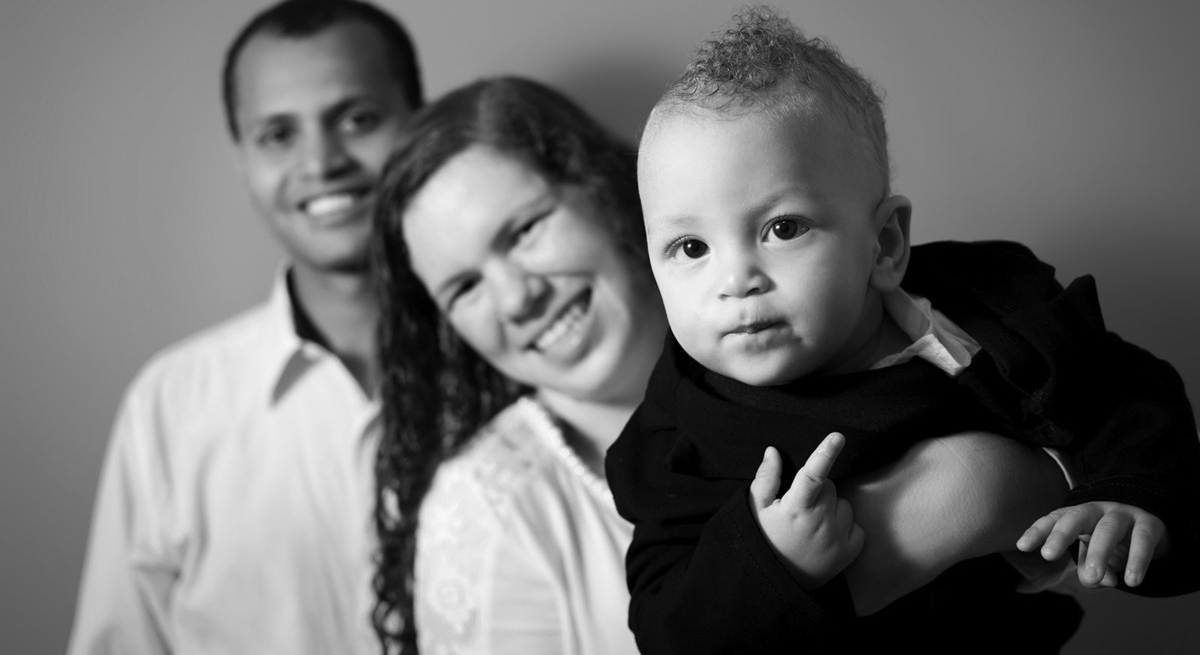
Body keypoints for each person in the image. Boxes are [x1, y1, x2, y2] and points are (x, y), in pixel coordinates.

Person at [369, 76, 1078, 655]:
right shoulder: (492, 506)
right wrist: (965, 491)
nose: (517, 296)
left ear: (607, 192)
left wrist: (1023, 481)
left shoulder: (866, 336)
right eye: (462, 287)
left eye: (525, 230)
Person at [607, 5, 1200, 653]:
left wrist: (1134, 498)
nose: (735, 279)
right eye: (691, 248)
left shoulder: (983, 315)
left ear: (884, 244)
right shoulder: (678, 428)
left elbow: (1126, 397)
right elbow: (667, 628)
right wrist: (770, 559)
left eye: (782, 229)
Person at [67, 0, 424, 654]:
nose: (321, 164)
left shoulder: (528, 360)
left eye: (358, 118)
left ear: (419, 126)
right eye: (278, 135)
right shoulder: (171, 405)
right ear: (244, 165)